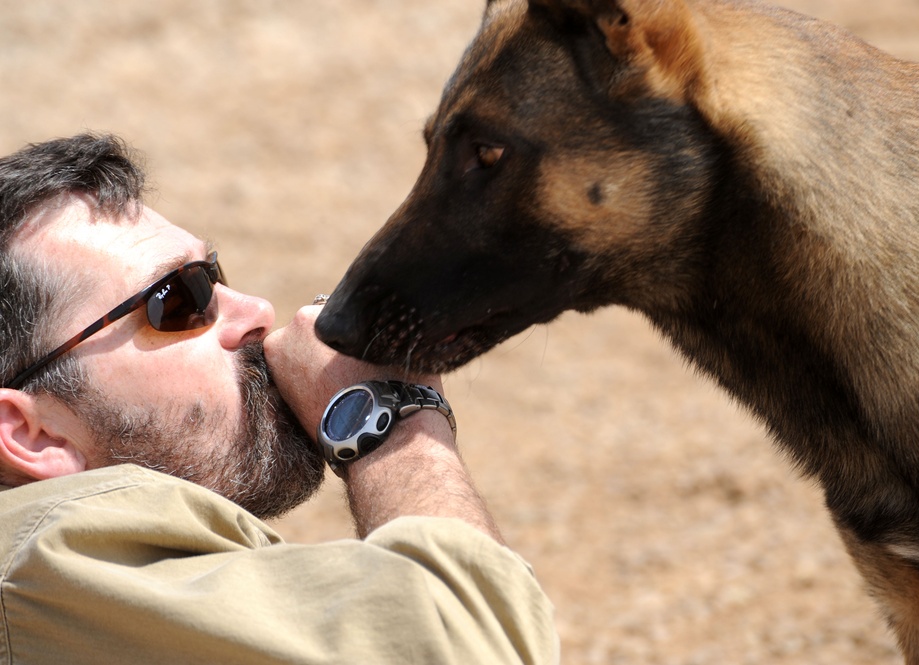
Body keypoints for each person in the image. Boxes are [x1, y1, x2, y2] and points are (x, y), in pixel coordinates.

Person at [0, 133, 558, 664]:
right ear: (31, 431)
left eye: (212, 275)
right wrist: (389, 415)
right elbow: (475, 648)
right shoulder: (48, 562)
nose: (256, 311)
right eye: (178, 301)